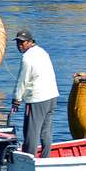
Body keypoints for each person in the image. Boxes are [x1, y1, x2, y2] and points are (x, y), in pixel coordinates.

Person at [10, 28, 58, 159]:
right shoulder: (42, 52)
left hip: (37, 99)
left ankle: (28, 161)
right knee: (46, 132)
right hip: (52, 96)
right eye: (18, 42)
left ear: (30, 42)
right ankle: (45, 159)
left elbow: (22, 81)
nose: (20, 45)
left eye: (23, 42)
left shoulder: (27, 58)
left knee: (32, 133)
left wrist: (16, 100)